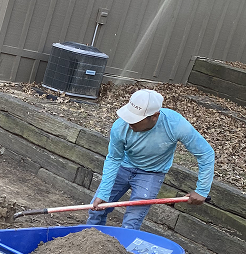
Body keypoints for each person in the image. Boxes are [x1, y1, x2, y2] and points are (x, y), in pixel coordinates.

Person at [88, 88, 214, 230]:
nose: (129, 122)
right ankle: (89, 240)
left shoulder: (175, 124)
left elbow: (206, 153)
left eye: (135, 120)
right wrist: (104, 192)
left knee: (132, 222)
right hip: (123, 166)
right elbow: (114, 159)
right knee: (96, 210)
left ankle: (125, 243)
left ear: (154, 116)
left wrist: (202, 190)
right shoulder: (120, 126)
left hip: (151, 174)